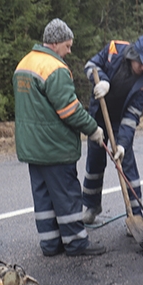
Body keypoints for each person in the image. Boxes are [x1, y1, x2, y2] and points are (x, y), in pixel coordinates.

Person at [15, 18, 108, 256]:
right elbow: (70, 110)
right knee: (67, 196)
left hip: (32, 148)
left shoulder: (25, 63)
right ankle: (76, 243)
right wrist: (93, 129)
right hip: (54, 147)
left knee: (43, 198)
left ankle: (50, 244)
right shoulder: (54, 68)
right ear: (55, 43)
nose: (69, 51)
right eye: (67, 46)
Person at [79, 35, 143, 226]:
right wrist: (103, 81)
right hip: (100, 115)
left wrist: (122, 144)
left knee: (127, 165)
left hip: (121, 120)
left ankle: (135, 215)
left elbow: (132, 115)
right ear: (133, 55)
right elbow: (90, 65)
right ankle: (92, 207)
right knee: (95, 162)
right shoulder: (114, 50)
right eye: (141, 63)